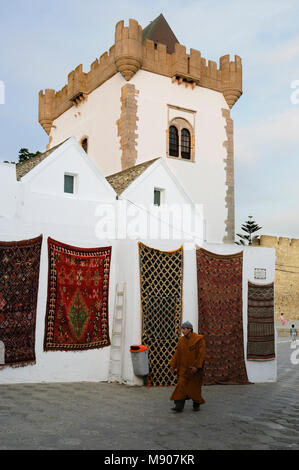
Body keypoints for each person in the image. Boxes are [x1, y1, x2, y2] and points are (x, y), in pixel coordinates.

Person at [169, 321, 206, 412]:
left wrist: (196, 367)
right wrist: (173, 365)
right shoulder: (181, 340)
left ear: (190, 329)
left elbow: (201, 355)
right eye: (182, 329)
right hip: (183, 370)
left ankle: (196, 404)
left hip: (194, 370)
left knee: (194, 388)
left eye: (184, 329)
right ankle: (179, 406)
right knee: (180, 386)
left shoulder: (199, 340)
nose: (182, 331)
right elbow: (177, 354)